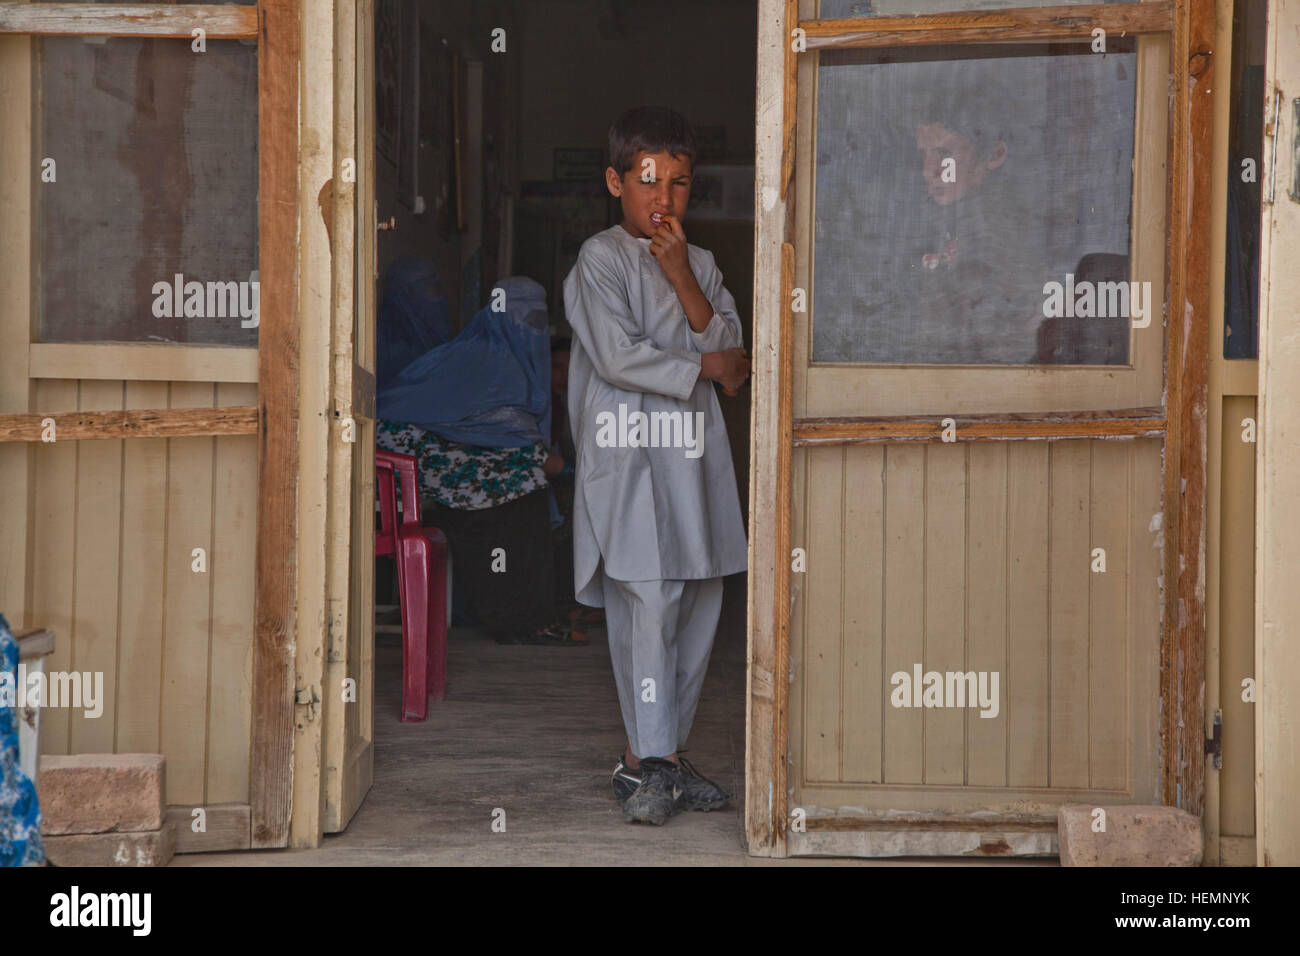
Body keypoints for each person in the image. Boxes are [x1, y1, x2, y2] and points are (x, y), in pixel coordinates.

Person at [563, 105, 749, 825]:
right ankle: (651, 764)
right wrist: (705, 363)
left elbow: (735, 365)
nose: (663, 198)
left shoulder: (700, 264)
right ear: (616, 181)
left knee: (698, 603)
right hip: (628, 458)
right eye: (648, 181)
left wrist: (680, 276)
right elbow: (617, 357)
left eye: (678, 183)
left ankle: (654, 761)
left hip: (692, 463)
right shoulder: (599, 259)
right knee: (648, 602)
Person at [376, 273, 577, 646]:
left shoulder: (481, 352)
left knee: (522, 482)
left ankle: (520, 613)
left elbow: (505, 441)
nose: (530, 328)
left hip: (454, 467)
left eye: (538, 319)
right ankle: (513, 614)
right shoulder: (492, 361)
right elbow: (509, 441)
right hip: (418, 466)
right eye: (523, 317)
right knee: (522, 486)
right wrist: (566, 470)